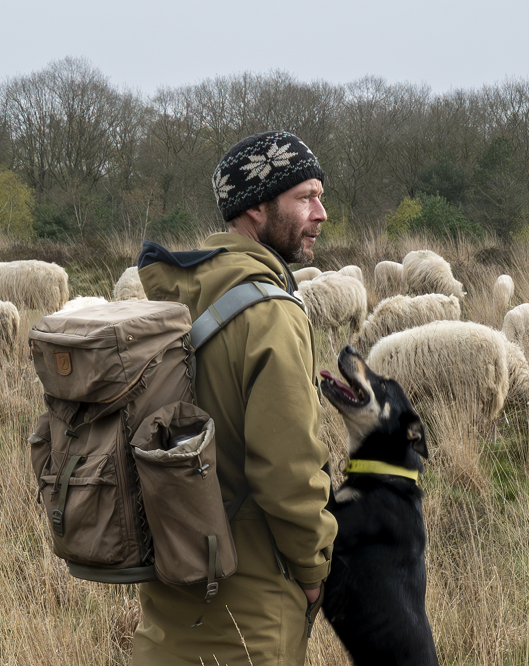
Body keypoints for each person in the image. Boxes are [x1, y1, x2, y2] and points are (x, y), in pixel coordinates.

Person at [132, 131, 338, 665]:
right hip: (250, 610)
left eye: (319, 195)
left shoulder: (172, 297)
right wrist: (314, 572)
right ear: (254, 207)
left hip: (169, 587)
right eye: (304, 197)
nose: (320, 213)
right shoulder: (272, 314)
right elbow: (287, 471)